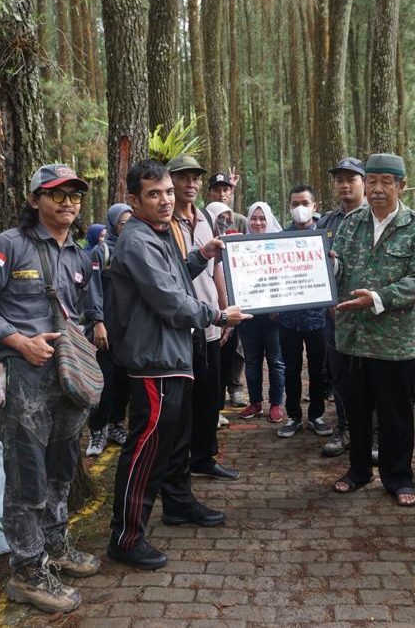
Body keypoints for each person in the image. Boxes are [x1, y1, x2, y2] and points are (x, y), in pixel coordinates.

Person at [0, 164, 100, 614]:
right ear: (35, 199)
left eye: (75, 195)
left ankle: (56, 546)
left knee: (62, 465)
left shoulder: (78, 254)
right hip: (21, 374)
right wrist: (19, 340)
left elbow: (78, 311)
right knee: (27, 474)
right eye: (57, 194)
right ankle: (26, 571)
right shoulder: (9, 245)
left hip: (64, 378)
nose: (68, 202)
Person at [105, 160, 248, 571]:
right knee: (146, 448)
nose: (166, 200)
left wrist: (203, 254)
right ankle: (126, 537)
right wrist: (219, 316)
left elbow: (177, 281)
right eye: (154, 194)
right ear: (133, 200)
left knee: (172, 443)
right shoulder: (137, 240)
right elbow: (169, 300)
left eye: (168, 191)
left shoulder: (159, 234)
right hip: (154, 361)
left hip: (172, 357)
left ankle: (178, 505)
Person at [330, 153, 415, 508]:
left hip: (393, 341)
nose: (376, 189)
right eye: (371, 181)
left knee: (395, 415)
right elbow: (336, 264)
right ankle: (358, 470)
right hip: (352, 337)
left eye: (385, 182)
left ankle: (398, 476)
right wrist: (321, 277)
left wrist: (376, 297)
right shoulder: (350, 224)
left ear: (401, 186)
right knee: (356, 411)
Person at [166, 154, 240, 481]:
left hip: (211, 322)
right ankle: (180, 464)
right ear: (170, 181)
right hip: (183, 327)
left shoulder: (205, 220)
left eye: (195, 177)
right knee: (184, 403)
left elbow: (217, 267)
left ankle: (204, 457)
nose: (191, 183)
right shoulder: (165, 224)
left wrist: (224, 313)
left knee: (211, 397)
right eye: (184, 177)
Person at [317, 157, 366, 457]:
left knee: (369, 377)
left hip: (368, 317)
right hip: (334, 317)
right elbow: (314, 268)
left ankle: (372, 434)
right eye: (339, 179)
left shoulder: (374, 219)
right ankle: (344, 430)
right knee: (340, 375)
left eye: (352, 178)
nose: (345, 184)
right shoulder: (326, 222)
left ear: (364, 182)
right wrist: (329, 302)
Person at [275, 184, 332, 439]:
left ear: (314, 206)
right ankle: (293, 415)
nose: (300, 208)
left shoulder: (324, 236)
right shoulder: (279, 237)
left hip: (318, 317)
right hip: (288, 318)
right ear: (289, 207)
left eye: (305, 203)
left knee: (318, 368)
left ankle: (317, 414)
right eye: (295, 204)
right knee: (291, 368)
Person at [84, 204, 133, 457]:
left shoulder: (135, 250)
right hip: (107, 328)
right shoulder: (101, 252)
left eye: (130, 221)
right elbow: (93, 289)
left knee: (124, 382)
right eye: (122, 223)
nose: (126, 227)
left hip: (131, 330)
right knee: (104, 381)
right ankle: (97, 429)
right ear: (114, 225)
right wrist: (98, 322)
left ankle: (116, 424)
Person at [237, 202, 287, 423]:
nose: (257, 223)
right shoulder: (239, 246)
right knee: (251, 361)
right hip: (248, 315)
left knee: (276, 361)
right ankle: (255, 402)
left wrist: (280, 306)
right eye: (253, 218)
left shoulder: (280, 245)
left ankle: (276, 404)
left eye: (262, 218)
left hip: (273, 316)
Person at [205, 201, 243, 425]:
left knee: (226, 363)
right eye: (220, 217)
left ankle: (217, 409)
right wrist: (222, 314)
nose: (224, 221)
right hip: (213, 315)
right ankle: (210, 411)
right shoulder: (207, 245)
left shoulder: (231, 242)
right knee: (212, 367)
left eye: (228, 217)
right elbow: (215, 279)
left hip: (232, 312)